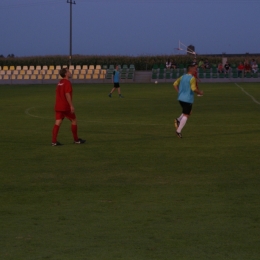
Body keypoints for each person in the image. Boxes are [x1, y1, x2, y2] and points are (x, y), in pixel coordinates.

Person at [51, 67, 85, 146]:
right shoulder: (67, 82)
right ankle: (76, 139)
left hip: (58, 106)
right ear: (65, 74)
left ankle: (54, 141)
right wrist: (71, 106)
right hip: (65, 106)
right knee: (74, 120)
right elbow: (67, 94)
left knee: (57, 122)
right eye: (68, 71)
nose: (70, 72)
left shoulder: (59, 82)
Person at [173, 64, 203, 138]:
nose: (195, 70)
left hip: (181, 98)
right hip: (187, 99)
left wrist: (179, 92)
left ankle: (178, 120)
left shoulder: (182, 77)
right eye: (194, 69)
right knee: (186, 115)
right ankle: (178, 131)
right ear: (191, 70)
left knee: (189, 112)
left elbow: (174, 84)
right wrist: (200, 92)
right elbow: (193, 89)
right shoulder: (192, 78)